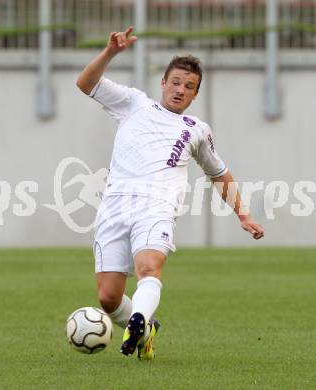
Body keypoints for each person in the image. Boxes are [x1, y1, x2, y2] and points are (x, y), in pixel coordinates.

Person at [76, 26, 264, 360]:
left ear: (195, 95)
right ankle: (148, 328)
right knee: (107, 297)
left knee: (150, 268)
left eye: (189, 87)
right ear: (163, 83)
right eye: (175, 82)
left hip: (157, 206)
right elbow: (85, 84)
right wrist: (110, 54)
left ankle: (138, 320)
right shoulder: (133, 103)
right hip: (114, 207)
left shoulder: (196, 130)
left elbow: (219, 174)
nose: (180, 90)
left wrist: (243, 214)